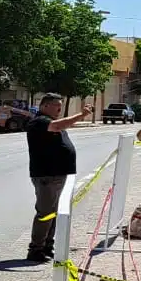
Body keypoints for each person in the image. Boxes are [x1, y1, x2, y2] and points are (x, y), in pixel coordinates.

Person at [27, 94, 93, 262]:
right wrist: (81, 115)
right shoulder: (40, 121)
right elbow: (56, 126)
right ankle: (36, 249)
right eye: (56, 105)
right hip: (47, 176)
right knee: (45, 213)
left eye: (60, 106)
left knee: (53, 213)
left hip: (57, 174)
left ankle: (47, 246)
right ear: (44, 106)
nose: (59, 109)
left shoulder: (49, 121)